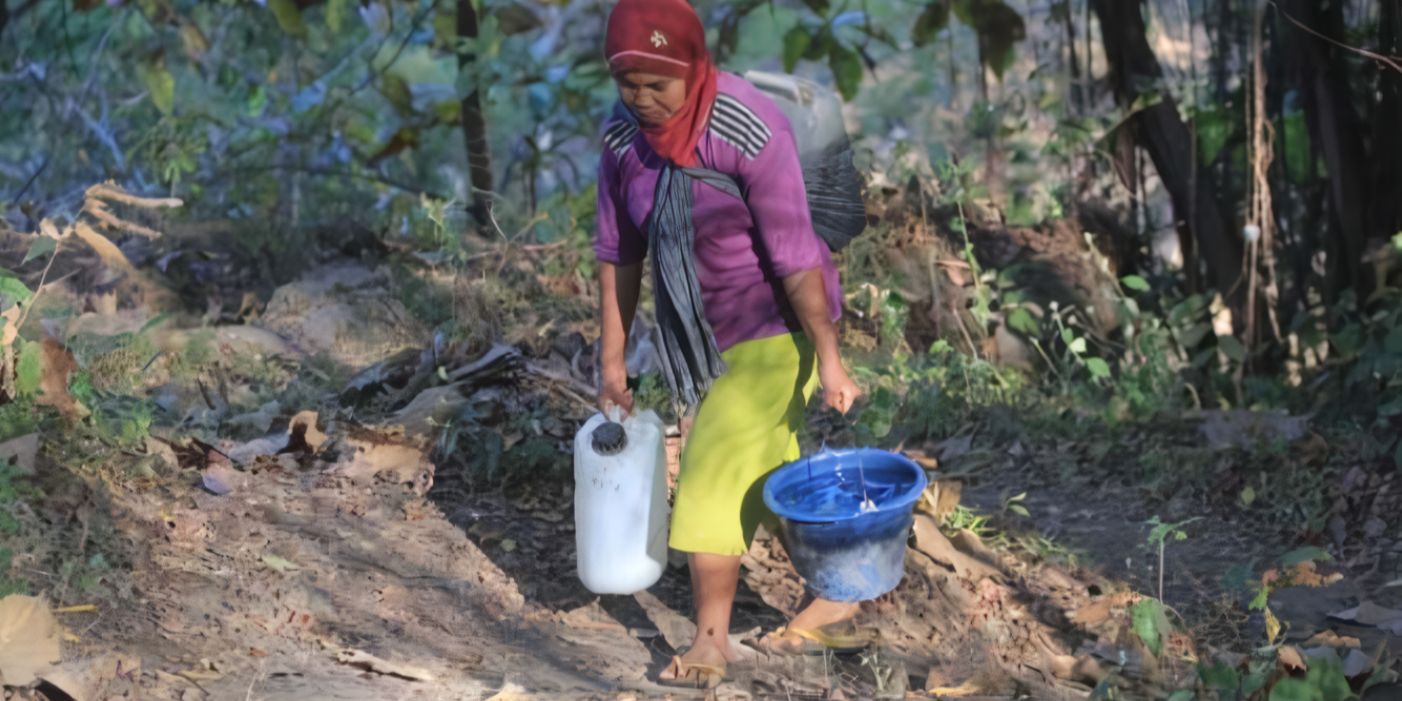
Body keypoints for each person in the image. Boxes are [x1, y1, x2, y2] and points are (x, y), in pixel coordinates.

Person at [593, 0, 867, 689]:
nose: (644, 100)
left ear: (693, 65)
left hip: (777, 330)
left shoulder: (745, 127)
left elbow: (796, 254)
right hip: (699, 337)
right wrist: (613, 355)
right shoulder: (621, 142)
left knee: (713, 469)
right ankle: (842, 587)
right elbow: (618, 253)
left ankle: (710, 639)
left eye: (660, 84)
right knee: (764, 475)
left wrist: (829, 355)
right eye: (629, 83)